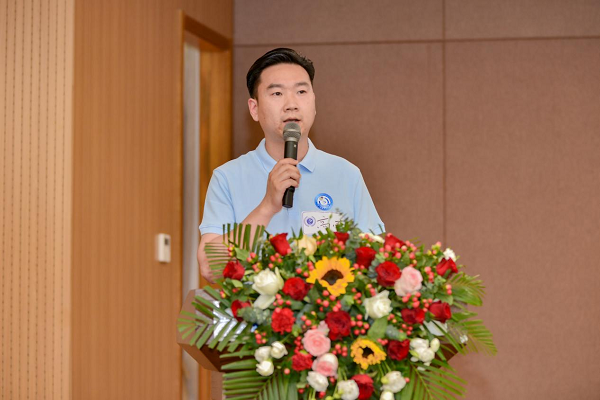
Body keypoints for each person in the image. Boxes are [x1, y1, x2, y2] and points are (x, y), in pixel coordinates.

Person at [198, 48, 384, 282]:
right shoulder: (228, 177)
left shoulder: (346, 174)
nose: (291, 104)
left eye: (301, 91)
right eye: (277, 93)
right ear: (254, 109)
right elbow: (210, 268)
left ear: (314, 103)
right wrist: (266, 207)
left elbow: (378, 260)